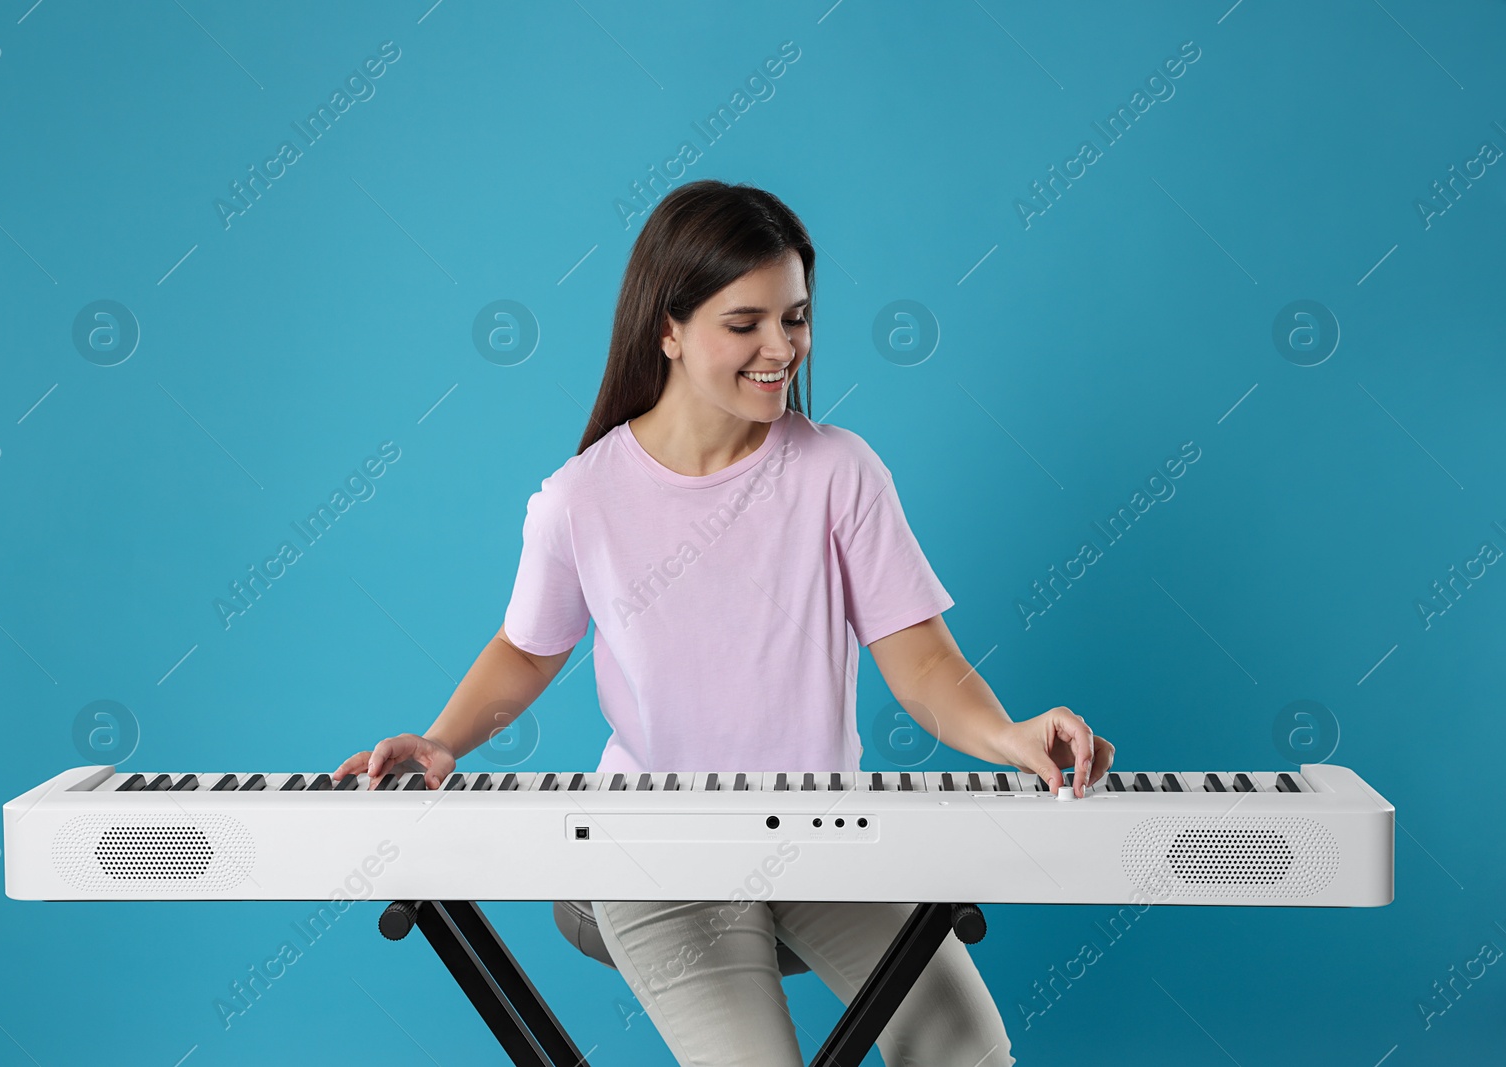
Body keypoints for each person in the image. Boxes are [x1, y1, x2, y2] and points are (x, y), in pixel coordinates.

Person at [335, 179, 1114, 1066]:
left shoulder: (839, 473)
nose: (781, 347)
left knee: (963, 1049)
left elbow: (924, 660)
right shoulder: (580, 499)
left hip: (827, 836)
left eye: (797, 318)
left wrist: (1009, 734)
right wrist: (443, 741)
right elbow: (526, 648)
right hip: (657, 851)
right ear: (667, 328)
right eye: (746, 324)